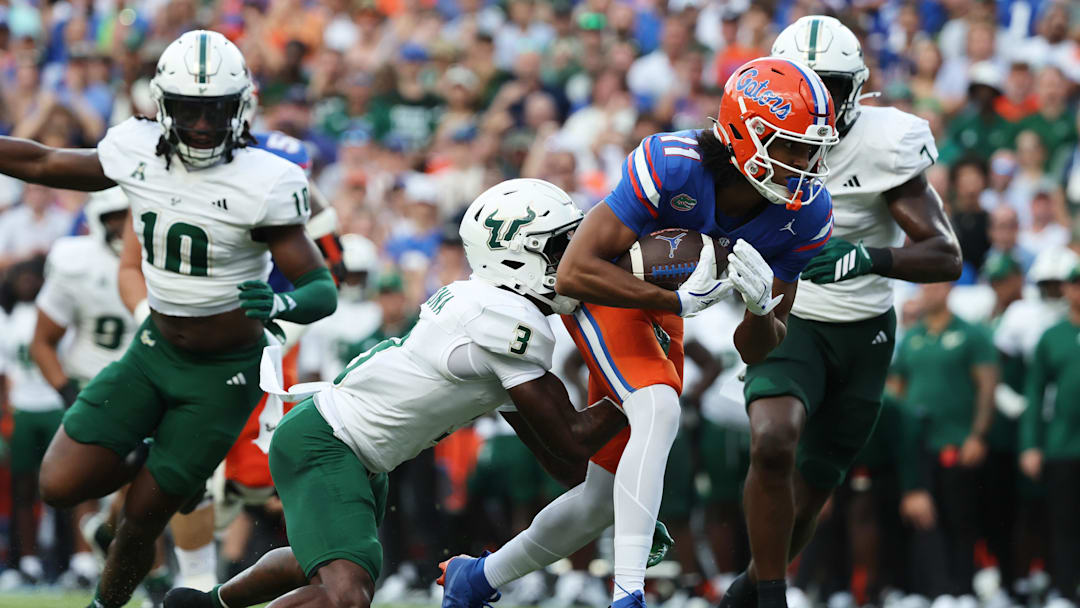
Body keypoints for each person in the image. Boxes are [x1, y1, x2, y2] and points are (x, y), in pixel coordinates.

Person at [441, 55, 839, 608]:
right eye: (789, 146)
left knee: (601, 499)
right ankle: (628, 595)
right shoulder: (673, 163)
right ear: (744, 133)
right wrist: (673, 297)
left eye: (810, 148)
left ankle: (477, 579)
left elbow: (760, 345)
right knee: (659, 407)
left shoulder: (807, 214)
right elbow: (578, 270)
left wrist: (757, 306)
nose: (803, 164)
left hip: (666, 310)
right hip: (607, 289)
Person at [163, 178, 629, 608]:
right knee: (347, 592)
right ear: (515, 256)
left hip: (351, 448)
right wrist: (646, 385)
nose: (575, 255)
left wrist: (614, 503)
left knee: (324, 562)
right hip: (330, 441)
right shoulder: (505, 318)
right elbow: (573, 436)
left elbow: (561, 457)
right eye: (561, 245)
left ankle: (211, 604)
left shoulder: (491, 307)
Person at [0, 30, 339, 608]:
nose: (203, 126)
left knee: (138, 522)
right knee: (58, 485)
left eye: (215, 112)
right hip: (153, 350)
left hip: (223, 374)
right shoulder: (135, 149)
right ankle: (147, 452)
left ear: (239, 109)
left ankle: (104, 604)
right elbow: (42, 160)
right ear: (162, 106)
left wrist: (281, 304)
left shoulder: (267, 179)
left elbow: (320, 288)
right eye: (189, 110)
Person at [715, 17, 963, 608]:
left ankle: (751, 590)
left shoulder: (883, 142)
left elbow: (945, 255)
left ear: (856, 87)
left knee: (811, 494)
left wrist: (867, 257)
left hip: (863, 330)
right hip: (790, 314)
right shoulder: (754, 132)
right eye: (807, 84)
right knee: (772, 442)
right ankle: (771, 597)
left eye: (830, 85)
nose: (820, 101)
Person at [28, 187, 134, 586]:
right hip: (90, 380)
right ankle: (83, 560)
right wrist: (68, 392)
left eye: (132, 216)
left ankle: (129, 557)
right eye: (117, 217)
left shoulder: (162, 261)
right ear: (101, 222)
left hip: (147, 384)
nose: (126, 227)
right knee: (79, 476)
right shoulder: (78, 262)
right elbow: (42, 341)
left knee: (143, 480)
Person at [891, 282, 999, 596]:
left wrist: (978, 435)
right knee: (922, 519)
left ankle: (962, 590)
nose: (929, 290)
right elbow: (896, 391)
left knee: (960, 517)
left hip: (957, 439)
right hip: (919, 445)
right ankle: (929, 591)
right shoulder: (912, 338)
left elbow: (987, 386)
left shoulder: (971, 333)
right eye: (924, 284)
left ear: (949, 287)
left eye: (935, 283)